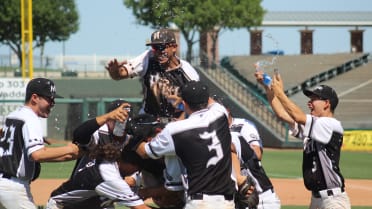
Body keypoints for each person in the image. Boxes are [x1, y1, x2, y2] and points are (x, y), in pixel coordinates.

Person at [132, 81, 236, 209]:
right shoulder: (220, 113)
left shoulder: (175, 130)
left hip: (200, 202)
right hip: (227, 202)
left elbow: (144, 152)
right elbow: (209, 100)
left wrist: (133, 134)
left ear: (184, 103)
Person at [254, 71, 351, 209]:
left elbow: (298, 116)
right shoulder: (315, 127)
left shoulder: (330, 124)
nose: (309, 102)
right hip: (317, 199)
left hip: (333, 201)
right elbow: (282, 114)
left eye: (314, 98)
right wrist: (268, 88)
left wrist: (280, 93)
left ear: (327, 103)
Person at [45, 99, 150, 209]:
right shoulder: (99, 132)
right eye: (117, 119)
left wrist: (134, 178)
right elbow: (79, 135)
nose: (121, 124)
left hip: (101, 192)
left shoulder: (131, 137)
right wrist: (106, 117)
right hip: (75, 197)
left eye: (124, 120)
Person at [0, 77, 80, 209]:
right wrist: (69, 149)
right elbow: (37, 155)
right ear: (35, 98)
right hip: (13, 188)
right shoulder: (30, 118)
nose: (52, 103)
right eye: (49, 99)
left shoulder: (13, 115)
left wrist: (74, 154)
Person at [105, 28, 199, 120]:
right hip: (148, 119)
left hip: (177, 121)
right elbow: (121, 74)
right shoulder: (148, 58)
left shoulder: (188, 72)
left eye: (162, 47)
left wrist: (182, 107)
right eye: (155, 47)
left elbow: (198, 104)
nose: (158, 52)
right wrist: (114, 71)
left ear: (174, 47)